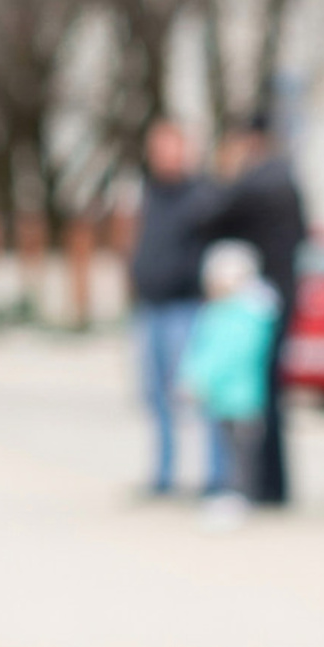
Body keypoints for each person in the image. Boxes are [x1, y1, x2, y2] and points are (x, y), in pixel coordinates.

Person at [205, 113, 307, 507]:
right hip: (281, 297)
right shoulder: (288, 181)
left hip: (255, 306)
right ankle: (275, 486)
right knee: (271, 394)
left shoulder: (253, 182)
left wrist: (225, 174)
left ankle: (253, 485)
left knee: (248, 396)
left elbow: (209, 217)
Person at [129, 119, 215, 496]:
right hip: (150, 308)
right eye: (159, 148)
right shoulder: (148, 193)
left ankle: (217, 476)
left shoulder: (203, 195)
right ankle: (163, 475)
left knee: (198, 394)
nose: (165, 155)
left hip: (186, 308)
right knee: (154, 397)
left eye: (172, 147)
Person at [181, 241, 280, 527]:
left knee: (243, 452)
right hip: (221, 397)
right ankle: (229, 493)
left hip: (242, 398)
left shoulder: (248, 315)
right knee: (227, 448)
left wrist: (201, 377)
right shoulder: (217, 312)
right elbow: (201, 348)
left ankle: (241, 496)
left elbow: (228, 353)